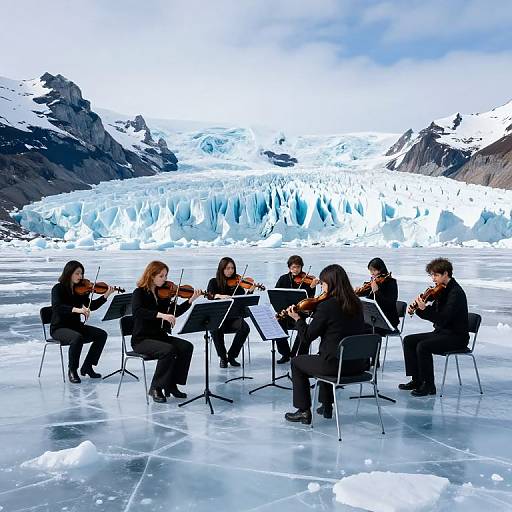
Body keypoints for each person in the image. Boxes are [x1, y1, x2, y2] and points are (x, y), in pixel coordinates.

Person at [284, 264, 367, 424]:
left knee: (297, 362)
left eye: (323, 283)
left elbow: (307, 337)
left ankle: (303, 411)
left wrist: (298, 319)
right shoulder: (356, 303)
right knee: (325, 355)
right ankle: (326, 405)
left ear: (331, 283)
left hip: (336, 367)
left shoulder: (327, 306)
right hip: (357, 365)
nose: (321, 287)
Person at [131, 261, 202, 403]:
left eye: (165, 276)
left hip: (159, 336)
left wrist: (190, 300)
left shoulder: (164, 295)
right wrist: (161, 315)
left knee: (186, 347)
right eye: (161, 276)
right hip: (142, 340)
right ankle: (155, 387)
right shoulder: (139, 293)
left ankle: (171, 385)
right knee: (168, 350)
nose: (164, 279)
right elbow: (138, 311)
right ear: (151, 276)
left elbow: (174, 313)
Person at [400, 258, 469, 397]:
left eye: (435, 275)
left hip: (456, 337)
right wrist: (419, 309)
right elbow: (435, 316)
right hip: (442, 333)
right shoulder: (440, 290)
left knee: (423, 346)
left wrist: (425, 309)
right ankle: (417, 380)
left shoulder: (456, 293)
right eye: (431, 275)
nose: (433, 279)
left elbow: (442, 319)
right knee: (408, 340)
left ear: (445, 274)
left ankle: (429, 386)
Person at [51, 260, 115, 384]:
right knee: (77, 338)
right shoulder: (58, 288)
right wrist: (77, 310)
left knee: (101, 335)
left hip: (75, 326)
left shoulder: (80, 289)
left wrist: (105, 296)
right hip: (59, 328)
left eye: (82, 273)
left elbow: (92, 306)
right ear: (69, 273)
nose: (80, 276)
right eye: (77, 273)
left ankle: (88, 366)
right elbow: (57, 307)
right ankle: (72, 370)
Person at [207, 257, 255, 368]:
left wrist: (250, 291)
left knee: (245, 328)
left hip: (232, 319)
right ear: (221, 269)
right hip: (219, 318)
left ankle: (232, 356)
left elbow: (243, 302)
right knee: (214, 328)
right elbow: (209, 295)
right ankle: (223, 357)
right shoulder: (214, 282)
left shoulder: (238, 285)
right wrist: (219, 296)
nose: (230, 271)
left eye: (232, 268)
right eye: (227, 268)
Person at [274, 255, 319, 364]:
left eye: (298, 267)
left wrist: (311, 287)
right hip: (286, 312)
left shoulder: (308, 281)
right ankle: (285, 353)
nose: (295, 270)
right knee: (278, 325)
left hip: (301, 313)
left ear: (301, 267)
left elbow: (309, 299)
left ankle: (294, 354)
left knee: (303, 328)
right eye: (293, 267)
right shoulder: (283, 279)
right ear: (289, 268)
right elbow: (276, 295)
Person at [357, 257, 399, 333]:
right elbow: (368, 298)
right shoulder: (375, 282)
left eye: (374, 270)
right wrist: (358, 292)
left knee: (362, 331)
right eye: (370, 271)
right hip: (373, 319)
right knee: (355, 327)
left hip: (388, 320)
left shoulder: (391, 283)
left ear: (381, 269)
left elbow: (389, 303)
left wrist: (377, 292)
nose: (372, 273)